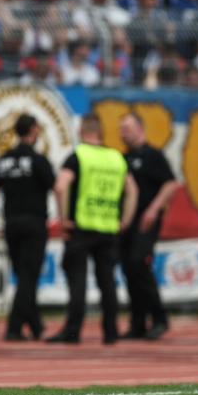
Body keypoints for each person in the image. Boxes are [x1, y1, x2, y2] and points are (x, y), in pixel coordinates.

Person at [47, 114, 138, 345]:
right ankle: (110, 332)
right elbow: (133, 191)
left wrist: (64, 218)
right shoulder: (116, 157)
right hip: (108, 228)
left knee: (78, 282)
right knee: (107, 283)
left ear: (81, 131)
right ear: (100, 132)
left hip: (81, 227)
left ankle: (73, 331)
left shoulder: (78, 156)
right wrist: (124, 220)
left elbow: (60, 187)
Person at [0, 114, 54, 341]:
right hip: (34, 224)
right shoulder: (39, 161)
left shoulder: (3, 160)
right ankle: (13, 327)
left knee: (23, 275)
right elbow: (56, 188)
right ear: (33, 130)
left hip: (11, 224)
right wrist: (64, 216)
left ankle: (36, 326)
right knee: (28, 277)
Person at [118, 113, 179, 340]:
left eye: (127, 128)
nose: (123, 133)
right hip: (126, 223)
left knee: (139, 264)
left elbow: (170, 184)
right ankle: (138, 322)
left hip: (145, 222)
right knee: (128, 269)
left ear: (140, 129)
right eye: (121, 129)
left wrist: (154, 209)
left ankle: (160, 318)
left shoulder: (153, 155)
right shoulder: (122, 158)